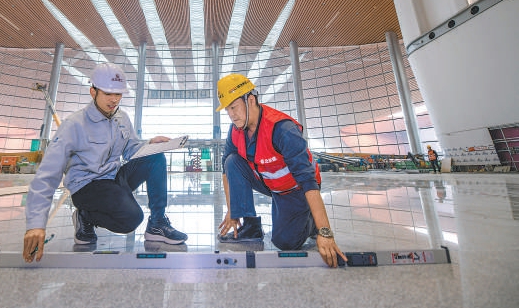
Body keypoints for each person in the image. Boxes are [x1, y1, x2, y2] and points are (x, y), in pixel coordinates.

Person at [23, 63, 187, 262]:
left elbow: (131, 150)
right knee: (132, 218)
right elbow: (47, 174)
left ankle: (157, 222)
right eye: (108, 93)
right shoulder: (74, 125)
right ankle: (85, 216)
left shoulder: (122, 118)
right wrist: (36, 224)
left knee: (155, 158)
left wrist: (150, 145)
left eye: (118, 94)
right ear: (93, 91)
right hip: (87, 186)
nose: (114, 99)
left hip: (113, 178)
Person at [215, 73, 346, 268]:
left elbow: (308, 181)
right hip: (270, 183)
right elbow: (227, 171)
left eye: (234, 107)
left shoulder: (282, 130)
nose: (231, 115)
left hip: (296, 188)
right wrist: (232, 211)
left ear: (250, 100)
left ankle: (309, 220)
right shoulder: (235, 130)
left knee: (285, 242)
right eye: (228, 110)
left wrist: (324, 232)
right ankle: (250, 226)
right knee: (232, 161)